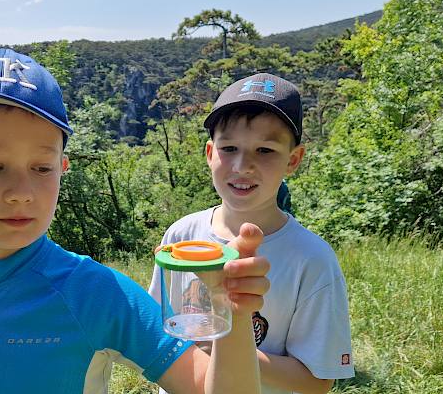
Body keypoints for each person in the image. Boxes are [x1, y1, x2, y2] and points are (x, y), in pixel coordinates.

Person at [0, 48, 270, 394]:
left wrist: (234, 318)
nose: (22, 191)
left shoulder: (98, 293)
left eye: (42, 167)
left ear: (62, 170)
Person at [148, 73, 355, 394]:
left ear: (293, 160)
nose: (243, 165)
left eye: (265, 150)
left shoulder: (312, 259)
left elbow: (317, 380)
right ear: (209, 153)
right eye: (229, 147)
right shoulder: (181, 236)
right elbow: (159, 333)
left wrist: (227, 344)